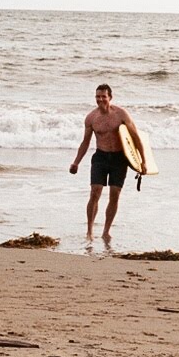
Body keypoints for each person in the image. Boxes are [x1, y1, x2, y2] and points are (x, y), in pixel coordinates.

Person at [69, 83, 147, 241]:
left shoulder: (121, 114)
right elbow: (85, 142)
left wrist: (143, 162)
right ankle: (89, 231)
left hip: (119, 158)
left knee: (115, 195)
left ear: (110, 97)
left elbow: (136, 138)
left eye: (103, 96)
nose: (100, 99)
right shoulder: (91, 118)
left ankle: (106, 231)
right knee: (95, 192)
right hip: (100, 157)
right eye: (97, 96)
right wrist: (76, 162)